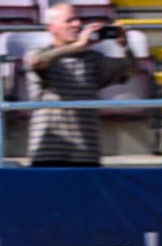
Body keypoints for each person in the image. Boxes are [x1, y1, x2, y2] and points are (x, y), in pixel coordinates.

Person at [24, 4, 132, 168]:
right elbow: (37, 62)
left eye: (78, 19)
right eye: (69, 20)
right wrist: (78, 46)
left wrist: (125, 46)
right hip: (48, 153)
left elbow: (131, 71)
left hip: (86, 153)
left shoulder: (93, 58)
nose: (77, 24)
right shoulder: (38, 52)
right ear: (51, 27)